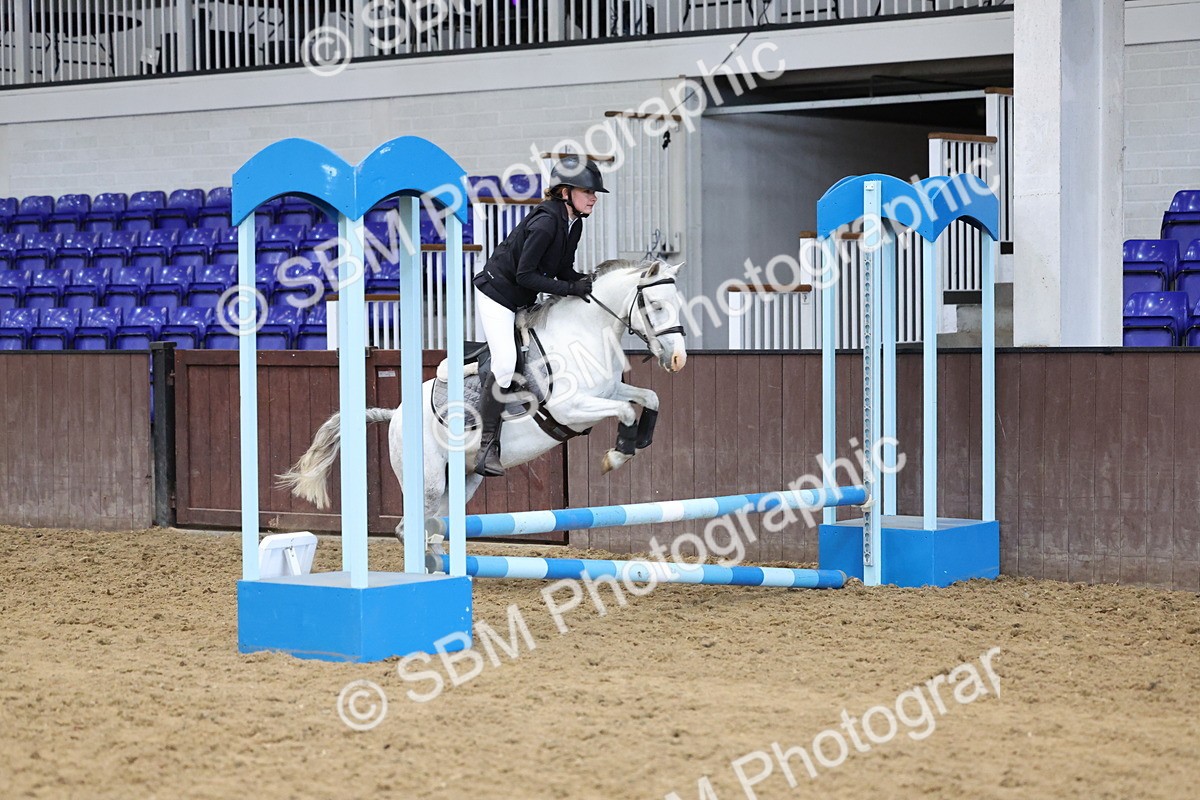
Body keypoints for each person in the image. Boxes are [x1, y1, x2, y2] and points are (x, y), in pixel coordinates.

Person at [470, 155, 608, 476]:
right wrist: (571, 289)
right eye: (588, 191)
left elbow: (561, 270)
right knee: (505, 365)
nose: (593, 197)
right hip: (498, 295)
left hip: (520, 294)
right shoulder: (546, 223)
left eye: (594, 192)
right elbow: (525, 276)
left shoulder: (574, 223)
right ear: (564, 193)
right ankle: (487, 444)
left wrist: (585, 283)